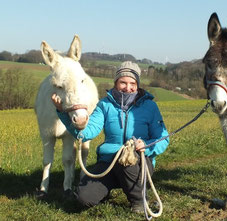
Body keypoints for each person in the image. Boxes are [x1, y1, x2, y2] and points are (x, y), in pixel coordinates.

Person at [52, 61, 169, 213]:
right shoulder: (104, 105)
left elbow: (163, 138)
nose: (128, 87)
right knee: (84, 197)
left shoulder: (150, 107)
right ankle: (106, 189)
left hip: (139, 163)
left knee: (125, 155)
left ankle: (140, 200)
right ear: (115, 82)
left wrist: (146, 146)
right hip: (108, 163)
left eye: (132, 83)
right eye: (123, 82)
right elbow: (85, 134)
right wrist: (63, 114)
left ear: (138, 84)